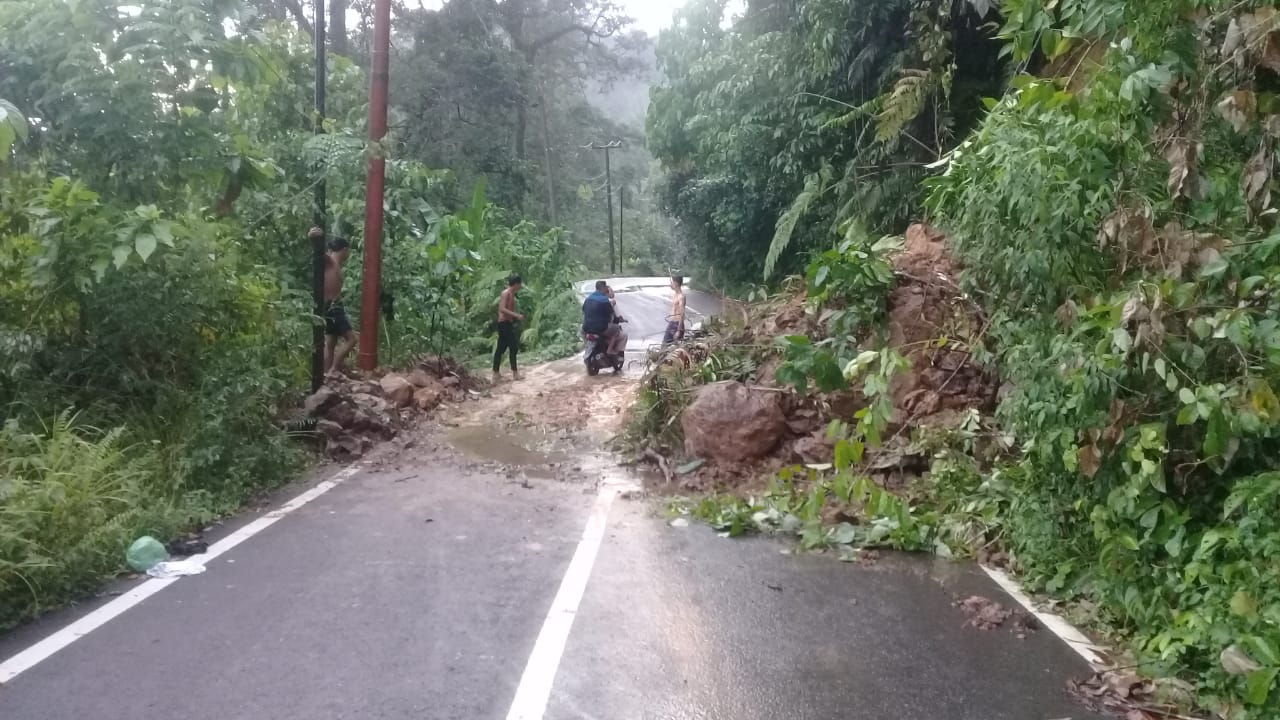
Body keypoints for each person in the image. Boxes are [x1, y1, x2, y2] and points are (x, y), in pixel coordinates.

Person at [312, 227, 358, 378]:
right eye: (348, 251)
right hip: (333, 306)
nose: (348, 254)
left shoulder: (335, 265)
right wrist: (315, 237)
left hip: (331, 306)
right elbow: (319, 253)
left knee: (331, 342)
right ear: (344, 250)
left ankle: (326, 374)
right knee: (352, 339)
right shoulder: (331, 261)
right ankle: (333, 369)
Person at [493, 274, 525, 381]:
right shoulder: (506, 293)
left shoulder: (511, 294)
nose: (521, 286)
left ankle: (496, 372)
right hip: (503, 324)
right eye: (520, 284)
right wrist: (516, 315)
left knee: (501, 348)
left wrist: (515, 318)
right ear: (516, 284)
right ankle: (515, 373)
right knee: (513, 347)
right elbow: (502, 308)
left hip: (508, 324)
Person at [663, 275, 686, 345]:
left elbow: (682, 314)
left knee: (668, 345)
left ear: (676, 283)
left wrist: (679, 330)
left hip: (676, 325)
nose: (670, 284)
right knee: (667, 345)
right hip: (672, 323)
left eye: (672, 282)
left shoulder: (681, 297)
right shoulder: (675, 295)